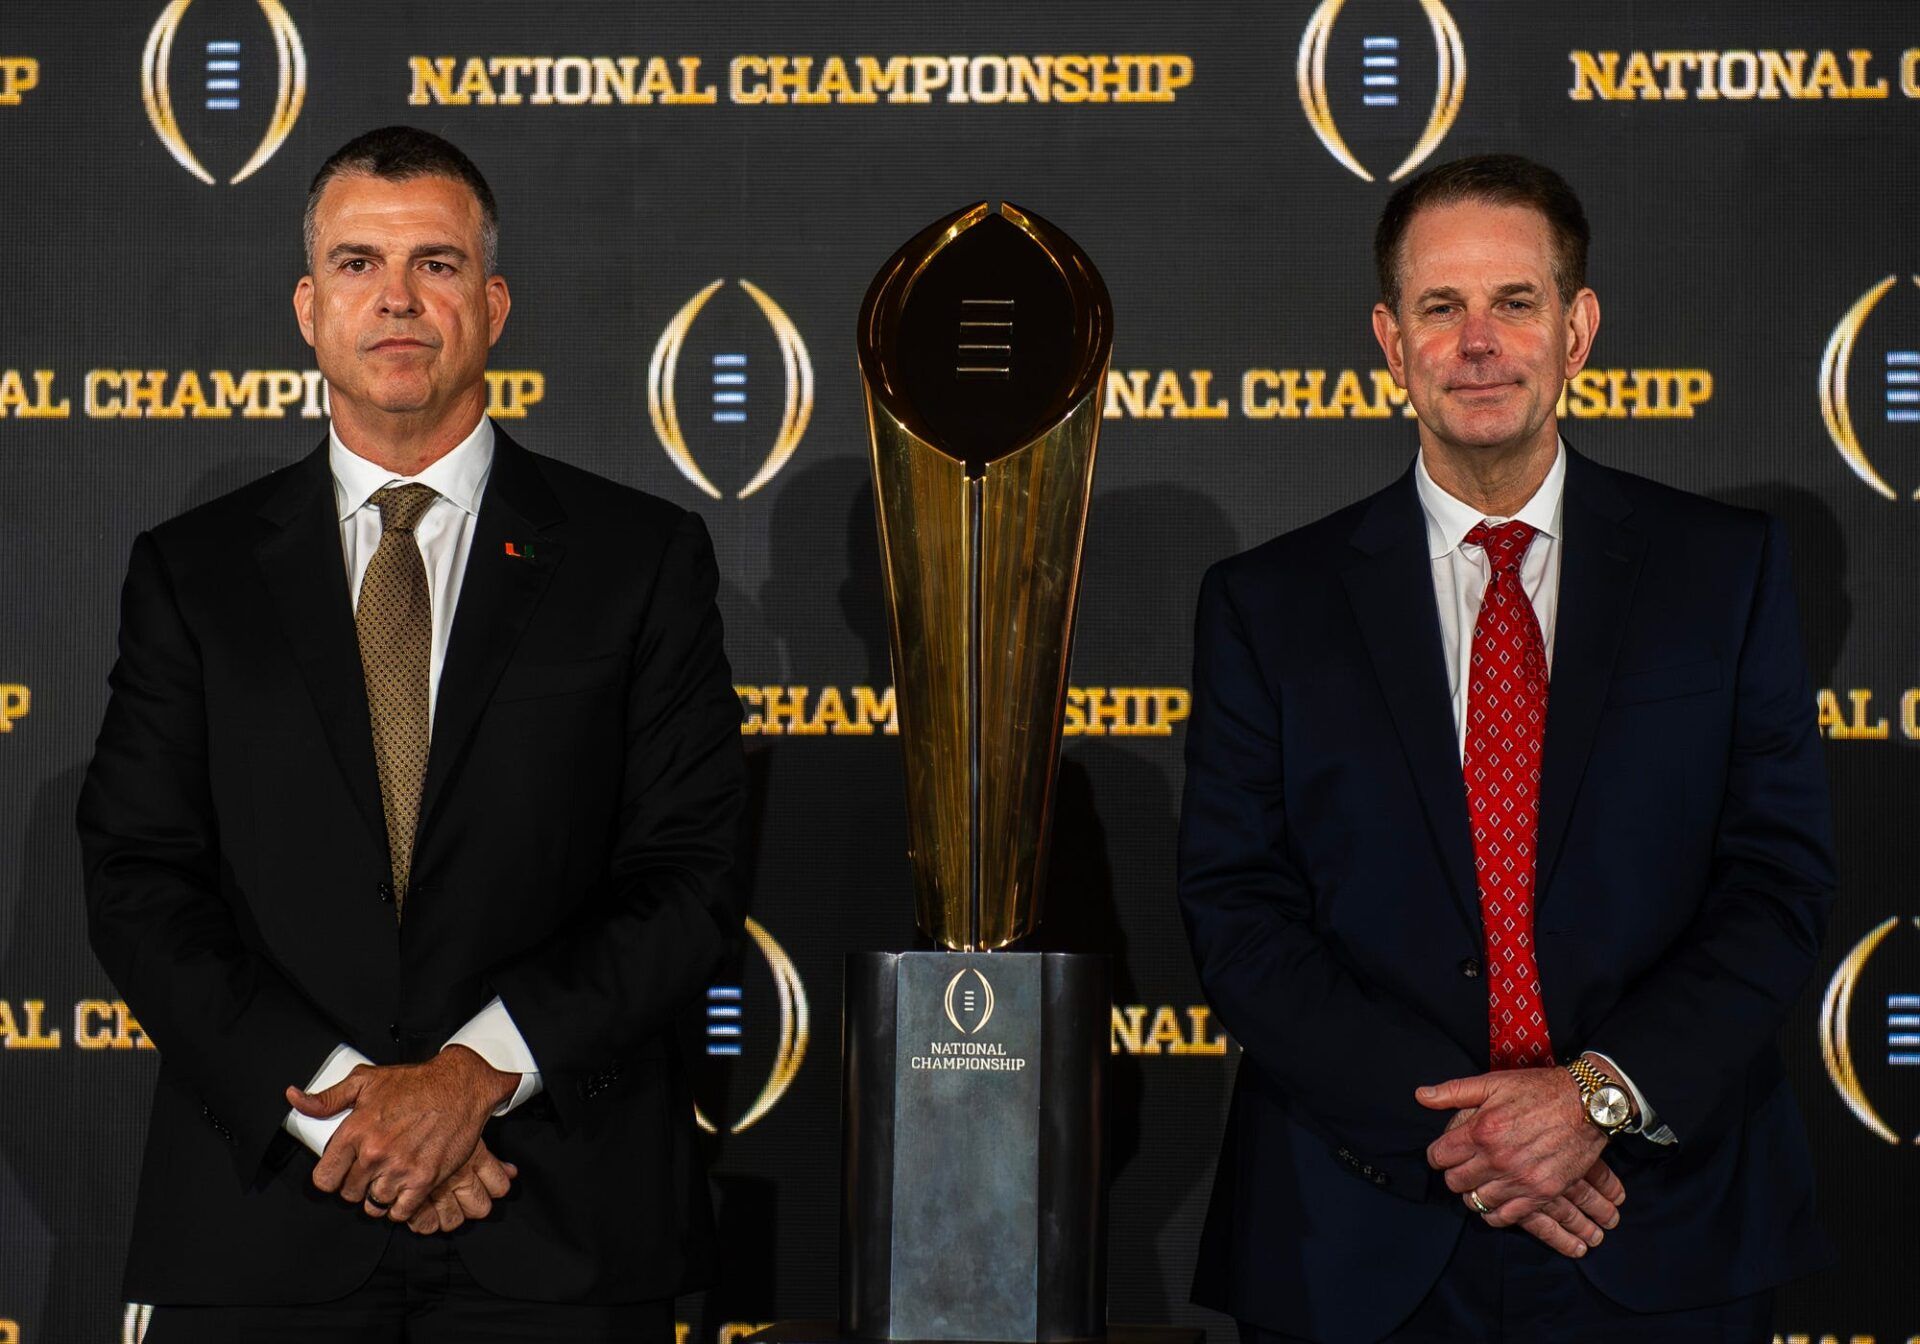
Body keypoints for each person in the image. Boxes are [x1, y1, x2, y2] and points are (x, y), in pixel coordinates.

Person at [77, 125, 744, 1341]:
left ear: (493, 304)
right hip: (269, 1223)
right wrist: (355, 1109)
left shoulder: (637, 560)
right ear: (308, 308)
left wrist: (473, 1078)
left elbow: (688, 874)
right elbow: (139, 881)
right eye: (357, 264)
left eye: (435, 264)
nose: (396, 298)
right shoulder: (193, 573)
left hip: (559, 1222)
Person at [1177, 154, 1835, 1343]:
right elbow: (1238, 911)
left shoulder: (1723, 573)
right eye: (1441, 307)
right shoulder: (1267, 604)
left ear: (1577, 330)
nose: (1478, 342)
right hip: (1358, 1228)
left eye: (1515, 302)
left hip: (1658, 1219)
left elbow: (1777, 880)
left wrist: (1594, 1099)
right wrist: (1477, 1135)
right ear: (1392, 342)